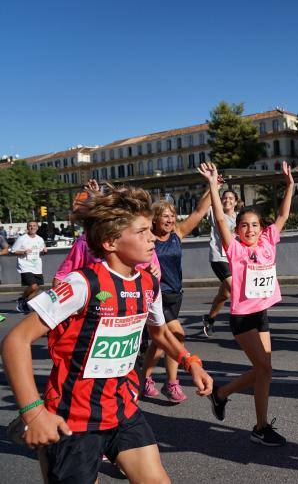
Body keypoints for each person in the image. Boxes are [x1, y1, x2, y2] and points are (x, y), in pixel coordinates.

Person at [0, 184, 212, 483]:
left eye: (149, 229)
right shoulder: (82, 284)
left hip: (123, 410)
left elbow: (160, 332)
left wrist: (190, 361)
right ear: (111, 242)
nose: (152, 237)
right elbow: (15, 341)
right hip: (74, 419)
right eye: (141, 232)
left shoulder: (148, 284)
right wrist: (33, 413)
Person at [201, 161, 293, 446]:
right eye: (244, 226)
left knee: (266, 371)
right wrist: (213, 186)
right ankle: (248, 416)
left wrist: (290, 186)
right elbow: (218, 219)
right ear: (237, 230)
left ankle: (237, 406)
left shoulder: (267, 242)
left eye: (254, 225)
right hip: (242, 318)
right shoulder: (236, 249)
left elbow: (282, 215)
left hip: (261, 314)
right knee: (263, 369)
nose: (250, 229)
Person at [142, 189, 211, 402]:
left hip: (175, 295)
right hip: (155, 295)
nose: (171, 219)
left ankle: (143, 377)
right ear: (154, 218)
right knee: (176, 335)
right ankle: (172, 383)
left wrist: (212, 187)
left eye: (172, 215)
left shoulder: (177, 234)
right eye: (165, 215)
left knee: (159, 343)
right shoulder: (147, 238)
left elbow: (199, 212)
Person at [201, 188, 240, 337]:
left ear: (236, 202)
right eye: (224, 198)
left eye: (231, 198)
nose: (227, 200)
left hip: (234, 259)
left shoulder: (240, 218)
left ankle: (209, 319)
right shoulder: (215, 213)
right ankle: (242, 326)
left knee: (225, 294)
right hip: (219, 258)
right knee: (235, 289)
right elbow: (202, 206)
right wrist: (213, 187)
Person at [11, 221, 47, 313]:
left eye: (34, 226)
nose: (32, 227)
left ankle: (26, 304)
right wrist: (23, 252)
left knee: (36, 289)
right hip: (25, 266)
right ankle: (22, 299)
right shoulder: (22, 239)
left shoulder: (40, 239)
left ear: (37, 228)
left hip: (37, 267)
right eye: (30, 226)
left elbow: (42, 249)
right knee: (33, 286)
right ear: (27, 228)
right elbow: (13, 251)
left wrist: (44, 250)